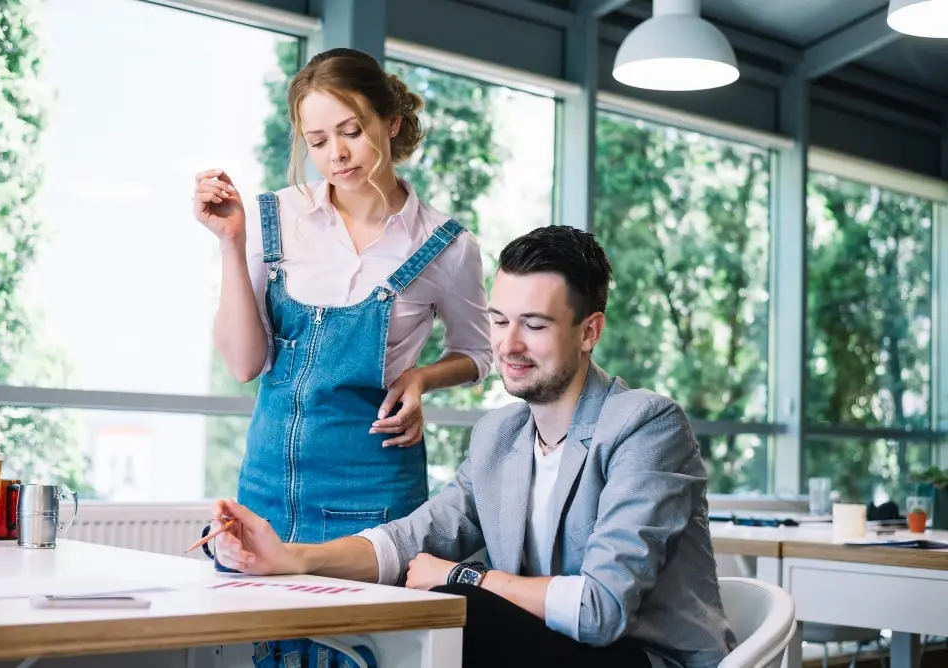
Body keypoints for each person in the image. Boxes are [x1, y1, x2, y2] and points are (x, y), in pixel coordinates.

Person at [210, 225, 737, 668]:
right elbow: (410, 540)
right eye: (499, 321)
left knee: (460, 606)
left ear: (588, 331)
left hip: (643, 658)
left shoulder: (646, 425)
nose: (508, 345)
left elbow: (600, 609)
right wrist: (290, 558)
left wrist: (464, 576)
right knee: (428, 609)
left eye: (534, 325)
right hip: (549, 651)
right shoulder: (499, 437)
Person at [191, 47, 492, 550]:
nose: (337, 154)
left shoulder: (447, 246)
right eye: (318, 140)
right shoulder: (273, 219)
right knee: (268, 628)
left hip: (376, 489)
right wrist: (231, 242)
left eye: (351, 131)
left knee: (357, 631)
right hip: (267, 486)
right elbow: (244, 365)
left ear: (391, 122)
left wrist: (421, 377)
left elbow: (479, 354)